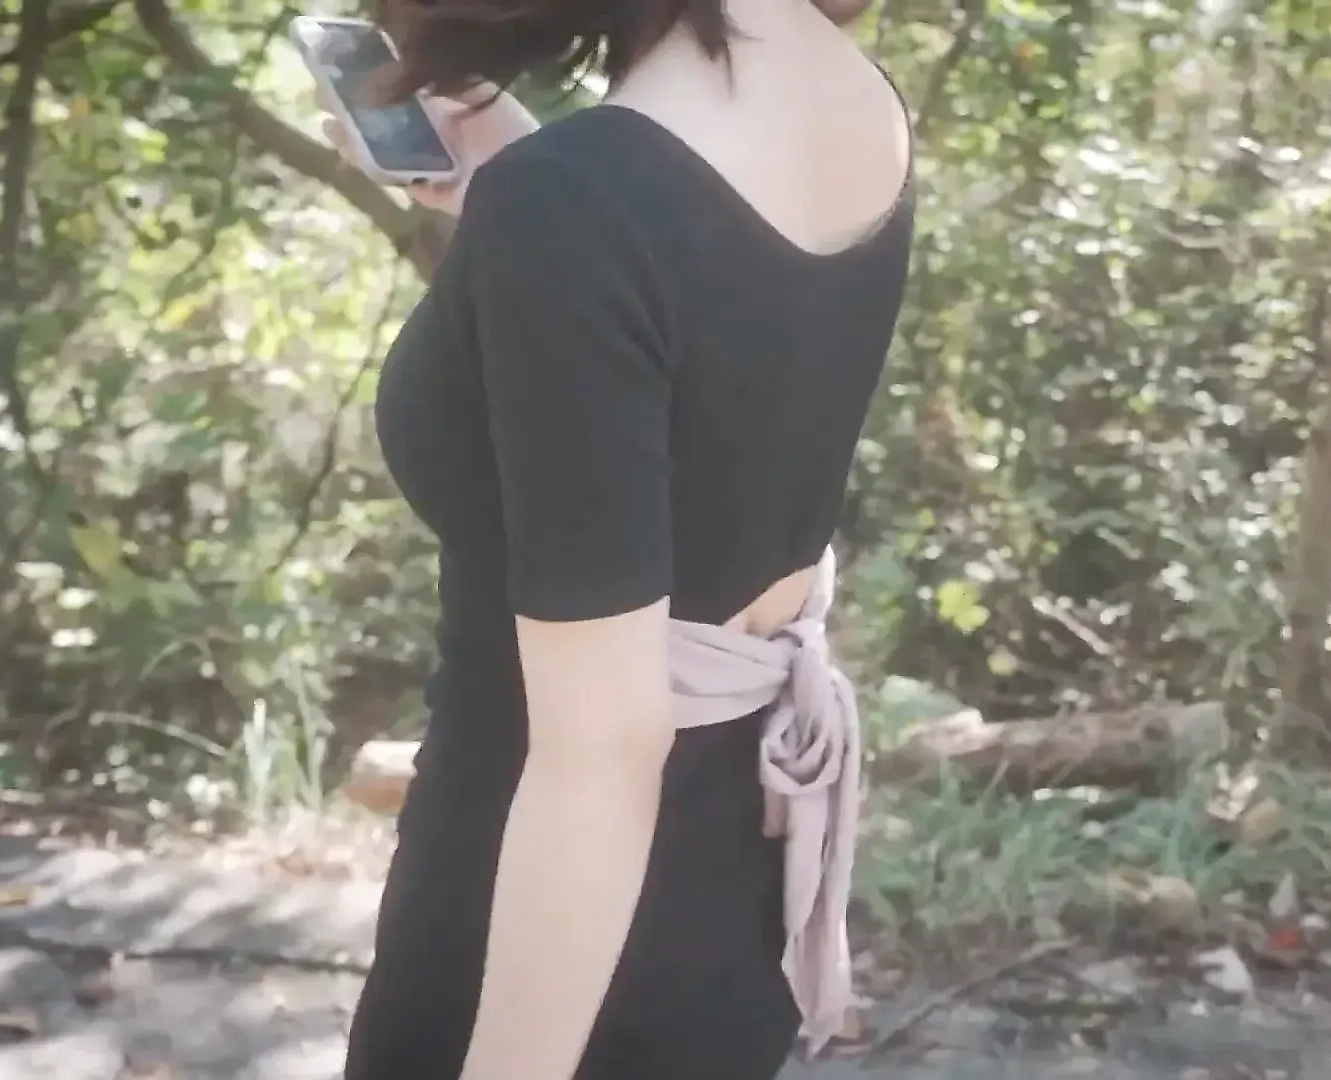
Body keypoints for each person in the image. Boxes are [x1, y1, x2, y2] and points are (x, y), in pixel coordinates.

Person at [317, 0, 914, 1078]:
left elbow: (603, 750)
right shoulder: (848, 90)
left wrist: (543, 207)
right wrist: (522, 192)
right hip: (730, 898)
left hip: (537, 930)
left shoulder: (574, 206)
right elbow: (710, 333)